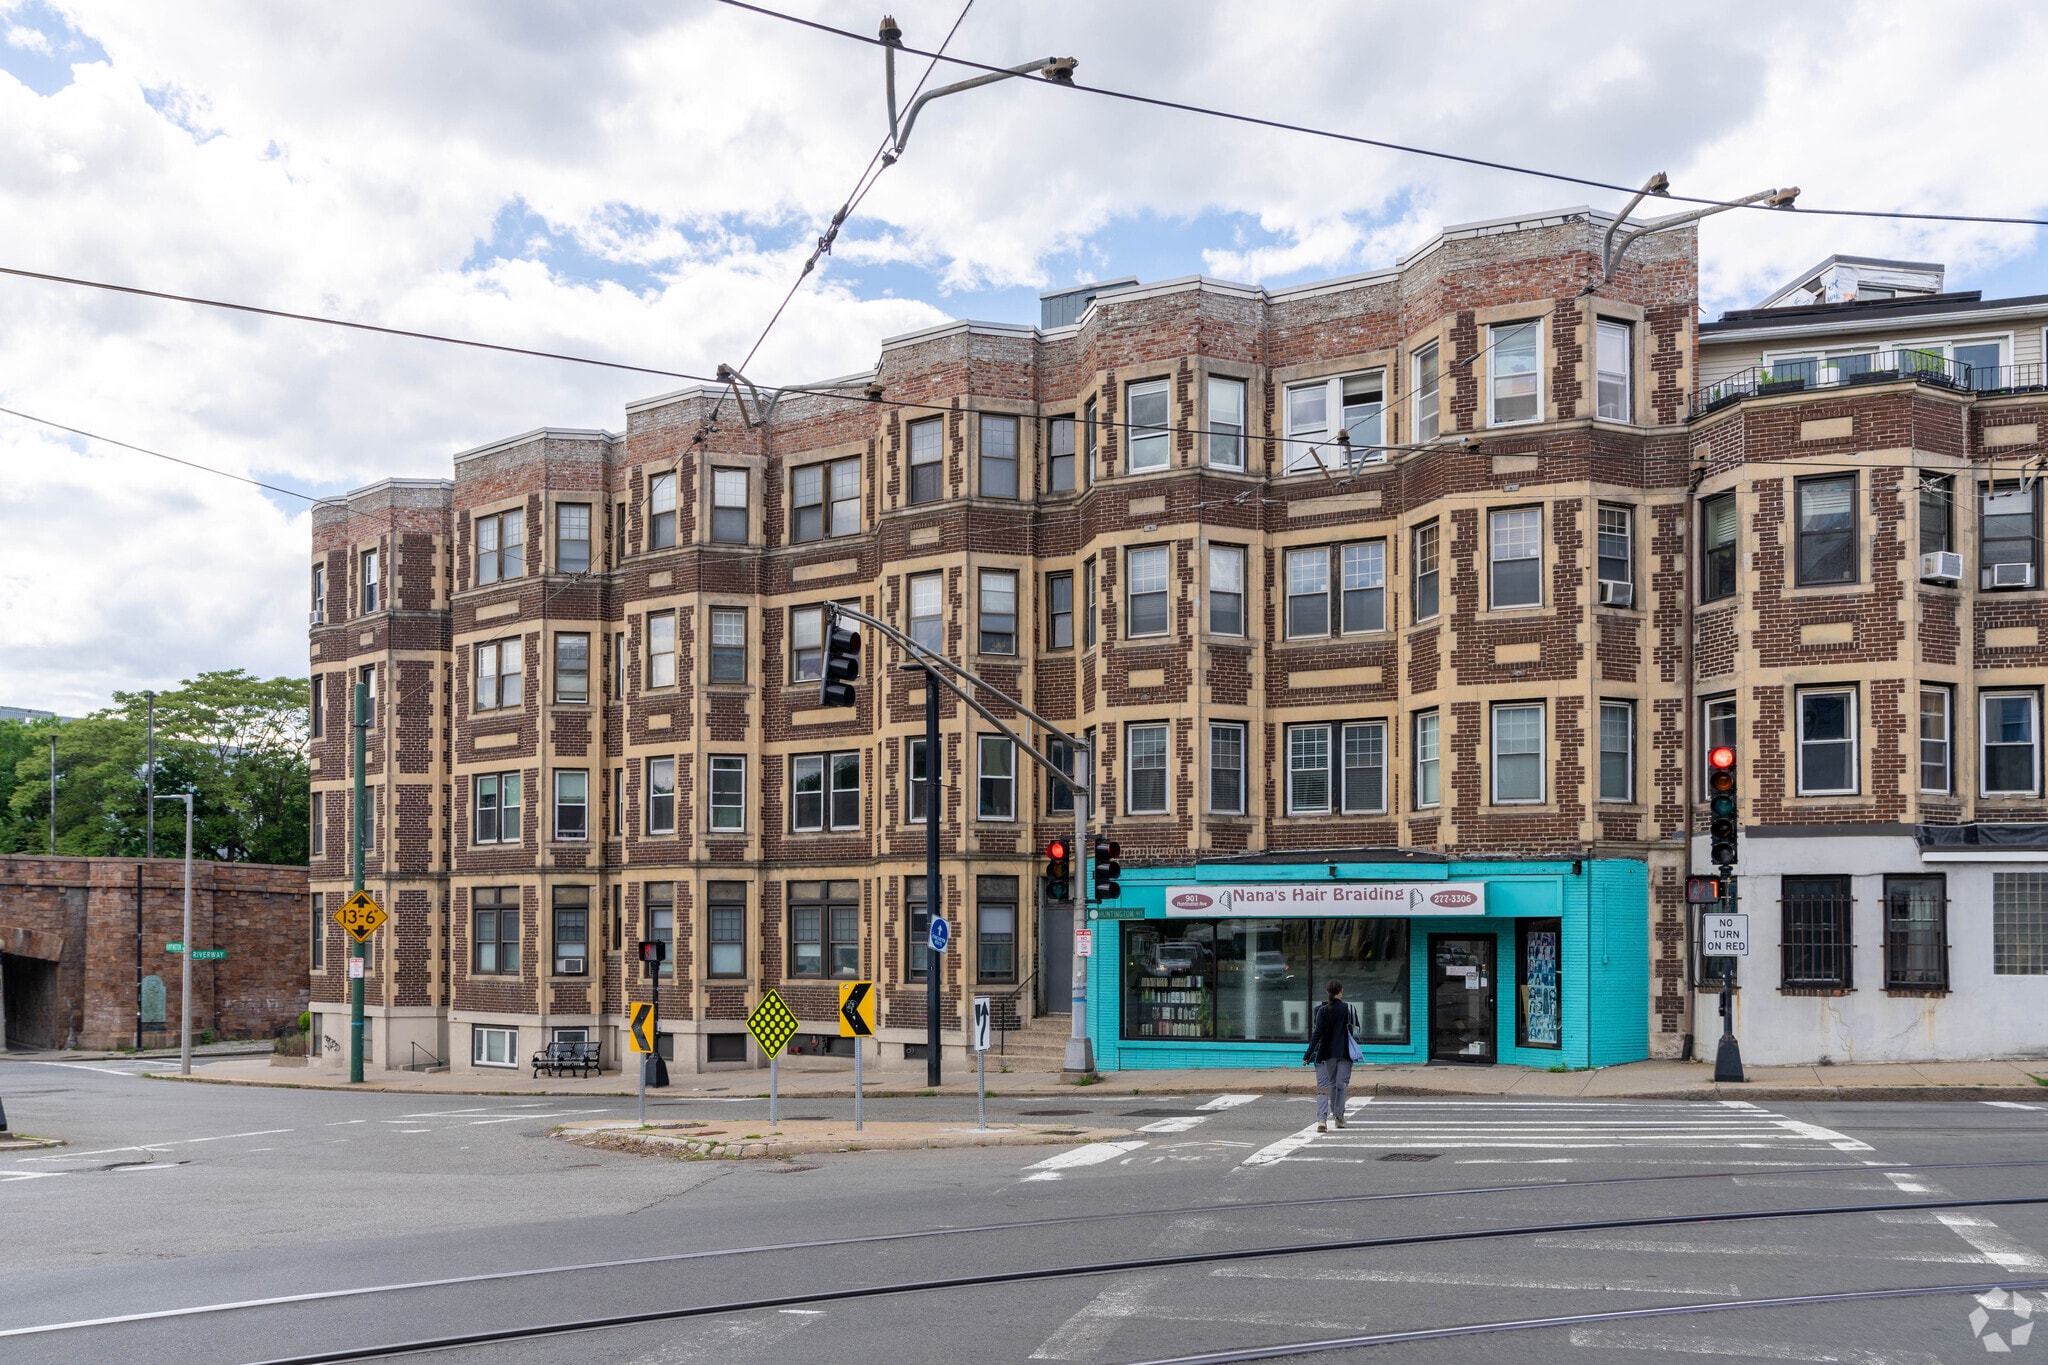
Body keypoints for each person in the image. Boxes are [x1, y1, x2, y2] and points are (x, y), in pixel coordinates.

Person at [1308, 980, 1356, 1133]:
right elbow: (1350, 1034)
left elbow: (1316, 1033)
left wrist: (1308, 1054)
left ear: (1327, 992)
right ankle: (1338, 1117)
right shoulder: (1347, 1009)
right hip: (1342, 1053)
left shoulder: (1319, 1010)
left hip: (1321, 1054)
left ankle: (1322, 1119)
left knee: (1323, 1087)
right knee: (1340, 1085)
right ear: (1341, 991)